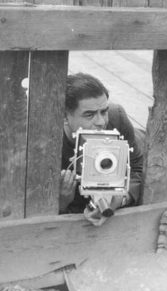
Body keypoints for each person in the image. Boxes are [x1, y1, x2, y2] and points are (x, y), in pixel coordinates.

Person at [59, 73, 143, 225]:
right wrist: (61, 201)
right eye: (89, 115)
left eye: (104, 112)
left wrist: (118, 199)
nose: (101, 122)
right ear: (64, 117)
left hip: (144, 141)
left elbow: (137, 168)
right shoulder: (46, 144)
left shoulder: (116, 116)